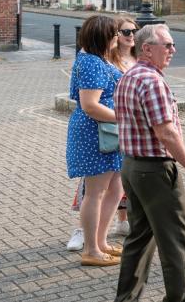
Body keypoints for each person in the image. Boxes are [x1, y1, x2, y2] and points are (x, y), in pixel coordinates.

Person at [115, 24, 185, 302]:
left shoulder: (129, 75)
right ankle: (180, 297)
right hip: (155, 170)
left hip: (132, 167)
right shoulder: (152, 81)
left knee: (138, 239)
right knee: (175, 241)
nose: (172, 50)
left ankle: (126, 298)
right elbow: (166, 132)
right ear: (147, 49)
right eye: (167, 45)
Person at [65, 14, 125, 267]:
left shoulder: (95, 58)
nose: (117, 38)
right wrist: (125, 118)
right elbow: (90, 105)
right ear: (103, 36)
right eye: (113, 34)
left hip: (107, 131)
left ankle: (100, 242)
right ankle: (91, 250)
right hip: (97, 133)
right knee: (96, 192)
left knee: (114, 189)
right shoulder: (90, 62)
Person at [106, 16, 140, 238]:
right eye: (126, 32)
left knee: (127, 174)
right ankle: (83, 228)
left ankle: (125, 220)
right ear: (116, 35)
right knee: (107, 176)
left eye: (134, 31)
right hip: (113, 122)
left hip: (136, 122)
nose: (131, 36)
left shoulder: (139, 59)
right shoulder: (110, 60)